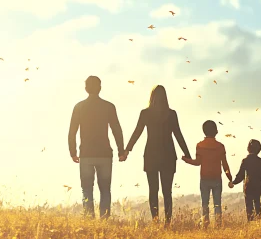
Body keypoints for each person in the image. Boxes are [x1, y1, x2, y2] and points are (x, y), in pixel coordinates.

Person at [123, 85, 191, 227]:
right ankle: (167, 222)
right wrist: (187, 154)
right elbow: (178, 135)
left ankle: (155, 221)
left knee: (153, 190)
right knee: (167, 191)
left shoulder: (145, 113)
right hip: (168, 155)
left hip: (151, 155)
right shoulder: (171, 114)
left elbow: (137, 132)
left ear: (152, 96)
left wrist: (127, 150)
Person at [68, 76, 126, 219]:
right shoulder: (109, 107)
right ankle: (104, 219)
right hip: (105, 154)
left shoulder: (79, 107)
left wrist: (73, 152)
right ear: (100, 88)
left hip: (86, 154)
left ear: (86, 88)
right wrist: (121, 151)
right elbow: (116, 129)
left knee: (87, 189)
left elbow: (72, 131)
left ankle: (89, 218)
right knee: (105, 189)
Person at [182, 120, 233, 229]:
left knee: (205, 203)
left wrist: (186, 160)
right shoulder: (220, 146)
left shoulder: (200, 146)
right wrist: (230, 177)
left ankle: (205, 225)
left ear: (204, 131)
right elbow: (225, 164)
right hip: (217, 178)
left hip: (204, 178)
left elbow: (197, 162)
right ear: (216, 131)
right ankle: (218, 225)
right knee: (217, 203)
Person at [229, 139, 261, 221]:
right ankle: (258, 219)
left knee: (249, 206)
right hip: (258, 186)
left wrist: (234, 182)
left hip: (248, 186)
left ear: (248, 148)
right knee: (257, 204)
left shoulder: (245, 160)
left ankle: (250, 220)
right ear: (259, 149)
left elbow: (240, 175)